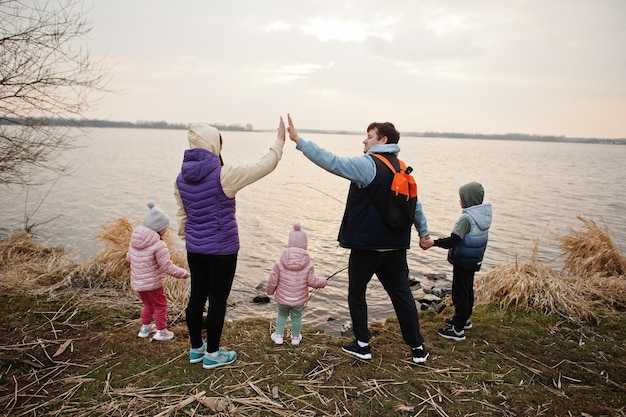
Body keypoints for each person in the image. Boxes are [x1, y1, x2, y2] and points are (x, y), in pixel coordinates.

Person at [286, 114, 433, 364]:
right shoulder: (401, 167)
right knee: (402, 295)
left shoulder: (369, 164)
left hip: (367, 246)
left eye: (369, 136)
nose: (363, 141)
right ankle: (418, 348)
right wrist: (424, 233)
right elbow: (414, 205)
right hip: (396, 245)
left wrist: (299, 141)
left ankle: (362, 345)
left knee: (357, 293)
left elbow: (333, 162)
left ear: (382, 140)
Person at [175, 118, 285, 369]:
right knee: (217, 301)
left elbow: (183, 216)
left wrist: (190, 239)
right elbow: (263, 166)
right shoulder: (224, 175)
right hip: (222, 250)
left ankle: (196, 350)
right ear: (213, 144)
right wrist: (279, 142)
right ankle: (213, 354)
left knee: (196, 297)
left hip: (195, 249)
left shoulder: (180, 179)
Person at [432, 181, 492, 341]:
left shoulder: (466, 218)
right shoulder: (482, 215)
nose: (460, 201)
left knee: (459, 293)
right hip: (474, 260)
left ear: (468, 199)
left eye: (461, 198)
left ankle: (458, 330)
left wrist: (434, 242)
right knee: (467, 290)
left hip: (463, 260)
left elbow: (453, 240)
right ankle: (464, 320)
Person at [126, 200, 189, 341]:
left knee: (148, 304)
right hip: (153, 283)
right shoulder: (158, 245)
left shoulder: (134, 241)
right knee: (160, 305)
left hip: (138, 281)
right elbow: (166, 266)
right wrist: (183, 273)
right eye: (165, 228)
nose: (166, 230)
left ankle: (145, 328)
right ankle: (161, 331)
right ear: (159, 228)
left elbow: (129, 258)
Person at [266, 223, 327, 346]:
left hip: (282, 298)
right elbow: (312, 281)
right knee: (297, 317)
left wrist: (269, 291)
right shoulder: (308, 264)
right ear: (305, 245)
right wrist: (323, 282)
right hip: (298, 299)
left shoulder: (279, 263)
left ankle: (278, 336)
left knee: (282, 314)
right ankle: (295, 338)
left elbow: (273, 280)